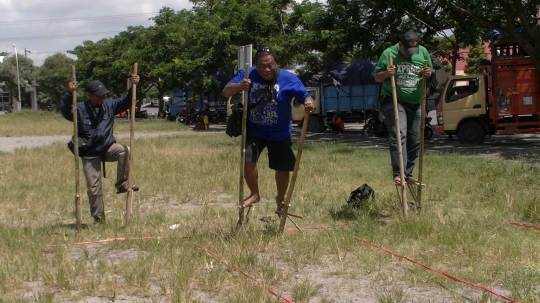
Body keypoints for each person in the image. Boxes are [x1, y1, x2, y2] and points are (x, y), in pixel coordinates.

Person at [222, 48, 315, 211]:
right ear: (256, 65)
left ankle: (280, 198)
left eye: (270, 65)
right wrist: (240, 85)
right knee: (248, 162)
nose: (266, 69)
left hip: (280, 132)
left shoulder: (289, 78)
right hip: (255, 129)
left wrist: (309, 104)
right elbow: (226, 91)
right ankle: (255, 194)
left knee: (282, 167)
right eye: (262, 66)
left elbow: (306, 97)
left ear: (276, 63)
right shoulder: (247, 74)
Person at [60, 75, 140, 223]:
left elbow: (127, 101)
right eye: (98, 96)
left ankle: (122, 183)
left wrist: (133, 86)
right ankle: (99, 218)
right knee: (93, 187)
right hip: (89, 153)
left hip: (107, 147)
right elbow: (65, 112)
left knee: (125, 150)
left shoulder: (110, 105)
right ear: (90, 95)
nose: (102, 98)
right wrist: (69, 93)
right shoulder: (80, 108)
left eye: (103, 95)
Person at [374, 31, 433, 185]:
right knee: (400, 134)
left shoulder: (423, 52)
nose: (409, 54)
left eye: (412, 51)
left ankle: (408, 174)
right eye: (406, 51)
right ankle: (399, 173)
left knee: (415, 139)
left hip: (415, 101)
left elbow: (431, 73)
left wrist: (429, 72)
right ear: (400, 45)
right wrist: (386, 73)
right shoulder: (389, 53)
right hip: (394, 100)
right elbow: (376, 76)